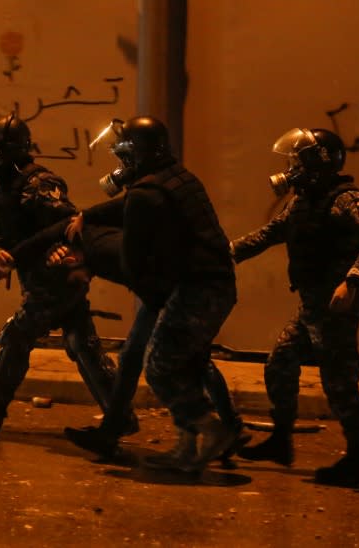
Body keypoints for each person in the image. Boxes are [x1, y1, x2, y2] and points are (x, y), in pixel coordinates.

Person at [58, 116, 241, 473]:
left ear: (138, 155)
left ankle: (213, 430)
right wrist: (88, 215)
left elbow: (132, 263)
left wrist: (87, 260)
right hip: (210, 284)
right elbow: (131, 205)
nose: (122, 162)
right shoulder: (177, 178)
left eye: (126, 153)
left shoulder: (145, 195)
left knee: (160, 368)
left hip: (191, 290)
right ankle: (185, 448)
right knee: (168, 362)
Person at [11, 211, 248, 468]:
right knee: (144, 358)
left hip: (183, 289)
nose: (85, 282)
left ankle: (209, 430)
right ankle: (172, 439)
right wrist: (12, 257)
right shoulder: (89, 238)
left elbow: (155, 275)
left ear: (72, 259)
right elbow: (51, 232)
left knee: (161, 364)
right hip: (175, 288)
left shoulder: (102, 255)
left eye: (76, 279)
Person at [0, 113, 135, 439]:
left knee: (16, 336)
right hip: (41, 279)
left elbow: (68, 224)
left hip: (56, 279)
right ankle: (120, 416)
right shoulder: (5, 187)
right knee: (82, 344)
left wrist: (54, 250)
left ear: (8, 151)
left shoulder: (40, 184)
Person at [230, 127, 359, 487]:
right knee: (280, 363)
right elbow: (269, 233)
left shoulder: (343, 199)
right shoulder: (303, 200)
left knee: (339, 383)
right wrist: (227, 252)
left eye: (298, 160)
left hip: (335, 308)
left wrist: (353, 280)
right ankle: (281, 441)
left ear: (318, 162)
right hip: (310, 306)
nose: (292, 167)